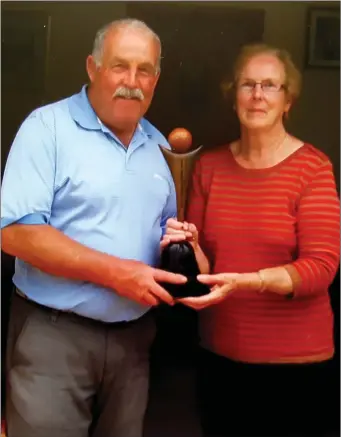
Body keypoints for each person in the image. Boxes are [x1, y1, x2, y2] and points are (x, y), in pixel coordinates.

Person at [1, 18, 187, 437]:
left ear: (156, 79)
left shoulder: (159, 148)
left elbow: (165, 232)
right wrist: (117, 273)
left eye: (144, 70)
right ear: (92, 67)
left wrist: (182, 246)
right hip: (54, 336)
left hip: (134, 343)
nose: (132, 81)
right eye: (120, 66)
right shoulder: (46, 128)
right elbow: (14, 232)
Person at [162, 43, 340, 437]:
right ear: (234, 96)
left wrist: (247, 281)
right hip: (220, 355)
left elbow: (321, 268)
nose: (258, 95)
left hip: (297, 365)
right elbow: (206, 263)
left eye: (270, 85)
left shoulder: (312, 168)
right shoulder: (209, 166)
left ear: (288, 100)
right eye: (248, 84)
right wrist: (189, 246)